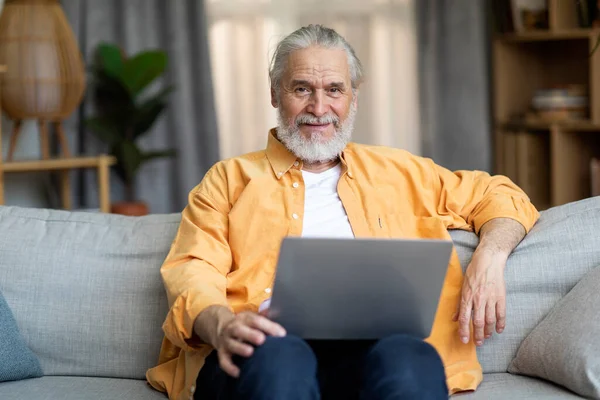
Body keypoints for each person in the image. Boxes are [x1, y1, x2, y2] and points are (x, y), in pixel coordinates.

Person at [146, 24, 539, 400]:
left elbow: (499, 194)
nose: (319, 107)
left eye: (334, 89)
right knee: (283, 359)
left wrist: (490, 257)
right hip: (260, 352)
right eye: (302, 88)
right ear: (274, 94)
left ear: (354, 97)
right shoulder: (229, 179)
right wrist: (222, 324)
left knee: (411, 359)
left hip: (370, 354)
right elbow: (192, 269)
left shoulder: (402, 171)